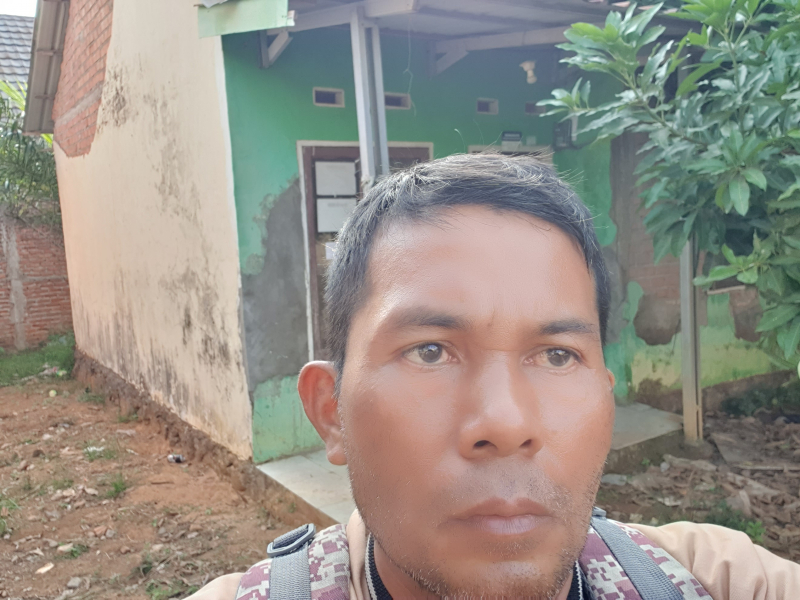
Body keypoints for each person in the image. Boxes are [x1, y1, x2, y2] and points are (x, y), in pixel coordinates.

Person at [189, 154, 800, 600]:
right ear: (331, 411)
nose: (507, 423)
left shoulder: (707, 579)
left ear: (606, 397)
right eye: (430, 351)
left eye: (557, 355)